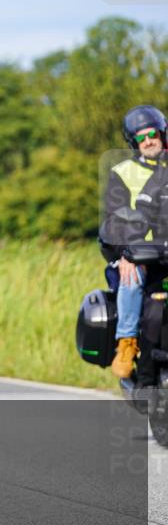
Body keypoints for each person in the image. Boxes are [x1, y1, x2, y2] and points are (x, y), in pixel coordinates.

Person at [101, 105, 168, 381]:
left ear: (162, 134)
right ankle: (126, 343)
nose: (149, 141)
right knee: (131, 276)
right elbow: (115, 218)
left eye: (153, 134)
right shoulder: (124, 172)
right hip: (141, 253)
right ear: (134, 143)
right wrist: (125, 252)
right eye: (142, 138)